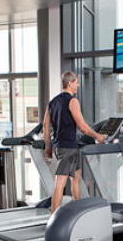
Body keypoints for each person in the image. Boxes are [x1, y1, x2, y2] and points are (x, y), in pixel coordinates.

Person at [43, 71, 106, 213]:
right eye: (76, 82)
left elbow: (45, 126)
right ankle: (53, 216)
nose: (78, 85)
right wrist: (98, 136)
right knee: (60, 181)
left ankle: (77, 211)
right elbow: (83, 127)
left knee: (76, 177)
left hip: (62, 145)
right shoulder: (72, 101)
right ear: (69, 83)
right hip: (68, 146)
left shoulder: (52, 102)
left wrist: (48, 147)